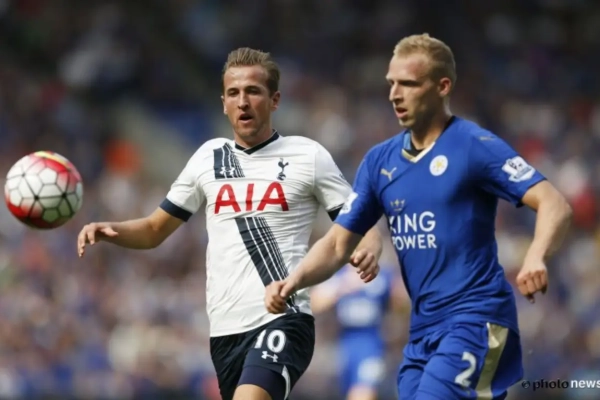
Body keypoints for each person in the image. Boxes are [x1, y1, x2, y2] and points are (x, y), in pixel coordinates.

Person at [264, 33, 573, 400]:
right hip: (423, 335)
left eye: (409, 84)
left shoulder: (473, 145)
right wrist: (292, 282)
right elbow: (337, 245)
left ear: (443, 87)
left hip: (477, 321)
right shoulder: (379, 162)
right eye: (392, 83)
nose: (395, 94)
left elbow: (554, 203)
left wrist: (536, 255)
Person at [76, 47, 383, 400]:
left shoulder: (307, 156)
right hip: (225, 332)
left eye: (253, 91)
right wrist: (111, 231)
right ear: (223, 103)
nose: (243, 102)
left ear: (275, 100)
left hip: (283, 318)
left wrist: (369, 247)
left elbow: (361, 222)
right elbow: (154, 230)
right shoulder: (208, 159)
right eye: (234, 93)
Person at [310, 263, 406, 400]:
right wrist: (342, 288)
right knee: (347, 391)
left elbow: (401, 303)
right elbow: (314, 304)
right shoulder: (339, 276)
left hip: (371, 344)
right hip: (345, 344)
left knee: (362, 391)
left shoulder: (382, 275)